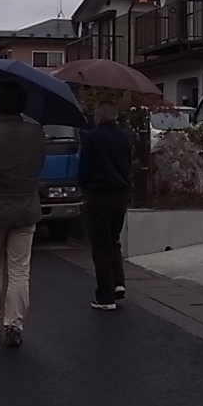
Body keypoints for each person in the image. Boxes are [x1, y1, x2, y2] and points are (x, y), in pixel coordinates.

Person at [0, 80, 47, 348]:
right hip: (26, 208)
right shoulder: (36, 133)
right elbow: (38, 165)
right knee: (19, 269)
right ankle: (14, 325)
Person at [79, 101, 134, 311]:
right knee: (113, 240)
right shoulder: (126, 138)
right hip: (121, 194)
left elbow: (84, 168)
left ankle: (105, 296)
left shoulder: (93, 138)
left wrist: (83, 186)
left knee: (100, 245)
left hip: (99, 194)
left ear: (99, 116)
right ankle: (118, 283)